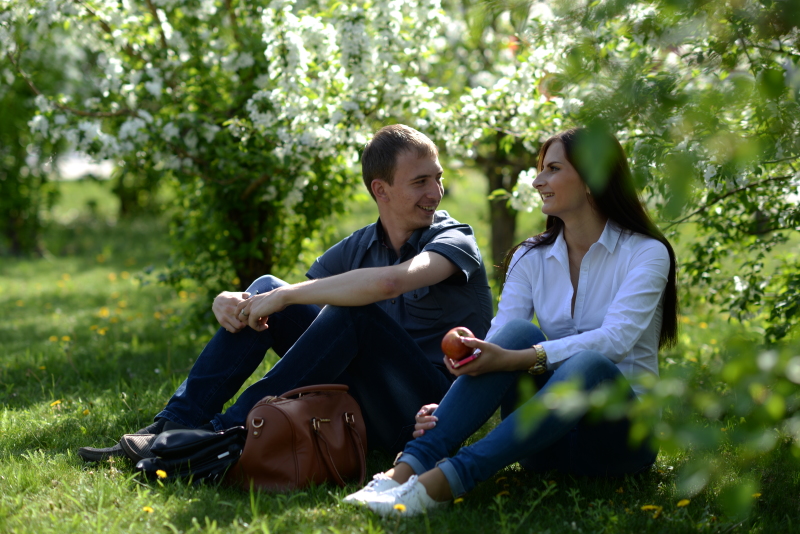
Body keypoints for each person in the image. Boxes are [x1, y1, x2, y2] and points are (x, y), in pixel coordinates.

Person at [78, 124, 493, 462]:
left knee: (351, 312)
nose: (435, 192)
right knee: (267, 288)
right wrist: (235, 299)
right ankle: (175, 423)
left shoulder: (455, 238)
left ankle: (222, 433)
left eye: (437, 178)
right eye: (420, 182)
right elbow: (300, 305)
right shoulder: (361, 245)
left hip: (429, 413)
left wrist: (286, 297)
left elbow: (390, 282)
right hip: (368, 405)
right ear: (380, 190)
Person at [344, 126, 678, 516]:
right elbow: (500, 343)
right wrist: (449, 407)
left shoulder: (646, 253)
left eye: (553, 169)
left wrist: (522, 358)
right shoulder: (530, 257)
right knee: (516, 332)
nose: (538, 181)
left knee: (590, 362)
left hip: (618, 442)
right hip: (542, 442)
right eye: (541, 169)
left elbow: (615, 340)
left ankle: (442, 483)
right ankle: (402, 472)